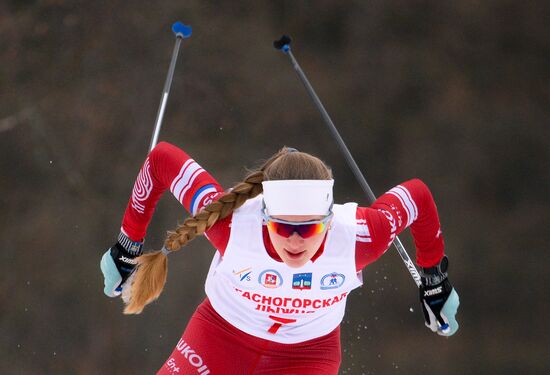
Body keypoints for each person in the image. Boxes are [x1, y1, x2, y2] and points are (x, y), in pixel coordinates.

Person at [100, 142, 460, 375]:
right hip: (220, 336)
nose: (294, 241)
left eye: (310, 229)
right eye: (282, 226)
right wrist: (127, 245)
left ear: (329, 221)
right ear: (264, 216)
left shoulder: (360, 235)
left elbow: (418, 197)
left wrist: (435, 281)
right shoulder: (231, 223)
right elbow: (161, 159)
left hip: (308, 354)